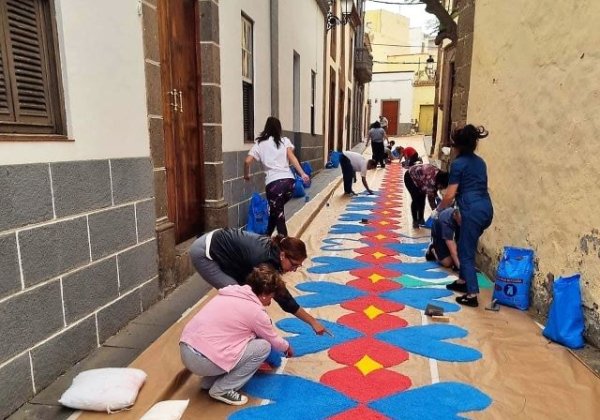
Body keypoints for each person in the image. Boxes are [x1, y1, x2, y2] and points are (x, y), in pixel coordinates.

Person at [180, 264, 292, 406]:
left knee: (237, 340)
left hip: (186, 349)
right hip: (203, 361)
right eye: (271, 297)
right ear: (264, 294)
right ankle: (222, 389)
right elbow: (272, 339)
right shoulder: (256, 312)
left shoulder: (231, 293)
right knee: (262, 347)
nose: (270, 302)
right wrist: (287, 347)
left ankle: (209, 381)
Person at [189, 227, 328, 334]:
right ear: (283, 255)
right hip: (204, 253)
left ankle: (239, 328)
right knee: (239, 297)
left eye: (298, 266)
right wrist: (312, 322)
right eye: (294, 264)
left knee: (249, 296)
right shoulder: (264, 261)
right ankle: (223, 334)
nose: (294, 269)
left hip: (221, 243)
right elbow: (284, 298)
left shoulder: (274, 251)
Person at [436, 124, 493, 307]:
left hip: (471, 211)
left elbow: (450, 194)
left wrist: (439, 209)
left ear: (457, 146)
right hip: (485, 209)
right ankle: (462, 282)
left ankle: (471, 294)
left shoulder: (458, 164)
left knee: (465, 252)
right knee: (463, 242)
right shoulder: (480, 162)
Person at [244, 116, 310, 237]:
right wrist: (302, 173)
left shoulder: (260, 143)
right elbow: (292, 158)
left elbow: (247, 161)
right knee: (275, 211)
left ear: (266, 128)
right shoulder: (284, 141)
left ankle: (284, 246)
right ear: (279, 128)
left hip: (274, 185)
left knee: (278, 214)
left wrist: (246, 175)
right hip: (290, 184)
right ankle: (267, 238)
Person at [404, 163, 449, 228]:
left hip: (421, 178)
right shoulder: (431, 179)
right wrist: (435, 211)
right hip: (410, 177)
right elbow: (431, 198)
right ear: (440, 182)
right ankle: (415, 221)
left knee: (422, 198)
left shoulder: (439, 175)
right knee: (416, 198)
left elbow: (434, 189)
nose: (441, 188)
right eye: (441, 187)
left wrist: (437, 198)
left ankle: (421, 219)